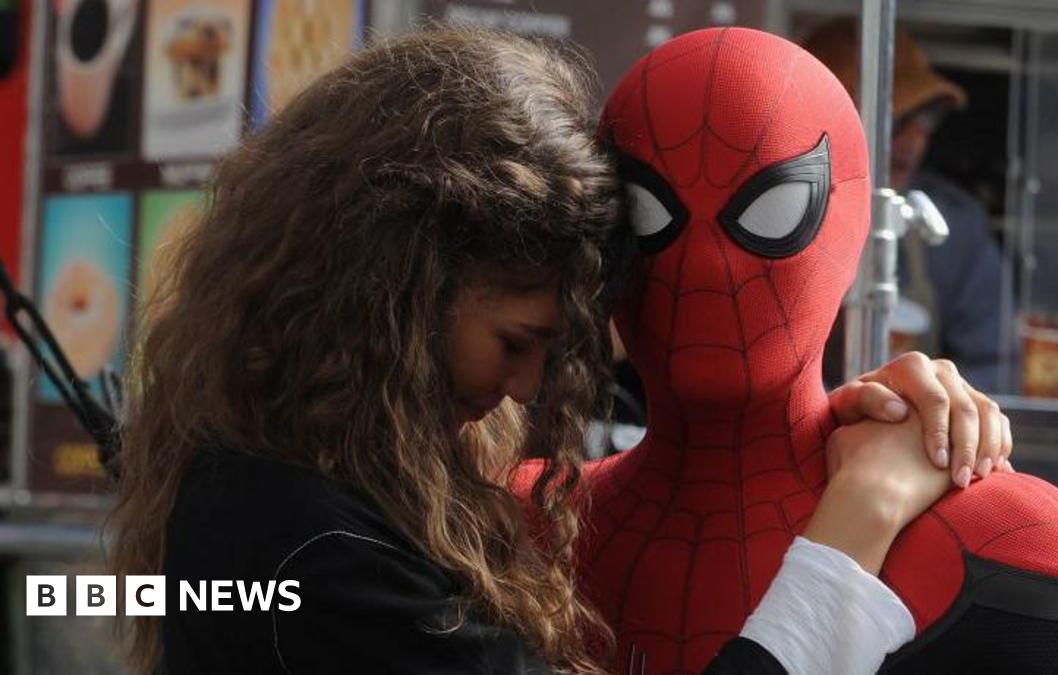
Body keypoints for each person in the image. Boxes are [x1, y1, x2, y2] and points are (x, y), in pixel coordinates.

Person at [110, 28, 1008, 675]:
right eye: (517, 341)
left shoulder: (266, 484)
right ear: (393, 293)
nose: (524, 387)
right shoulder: (310, 552)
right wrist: (857, 521)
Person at [807, 18, 1007, 392]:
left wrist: (935, 409)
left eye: (927, 118)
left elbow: (991, 363)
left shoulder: (955, 225)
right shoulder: (775, 218)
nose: (914, 140)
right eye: (897, 120)